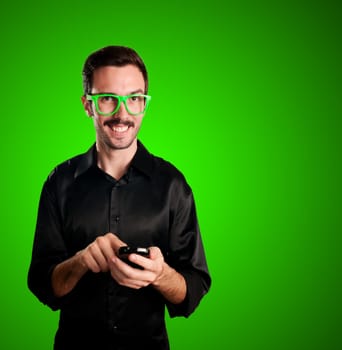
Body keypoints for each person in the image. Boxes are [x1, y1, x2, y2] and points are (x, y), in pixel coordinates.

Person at [27, 45, 211, 350]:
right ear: (88, 105)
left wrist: (160, 274)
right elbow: (43, 284)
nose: (122, 113)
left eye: (135, 99)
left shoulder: (173, 185)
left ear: (144, 104)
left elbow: (193, 290)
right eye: (108, 98)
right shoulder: (58, 182)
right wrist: (83, 260)